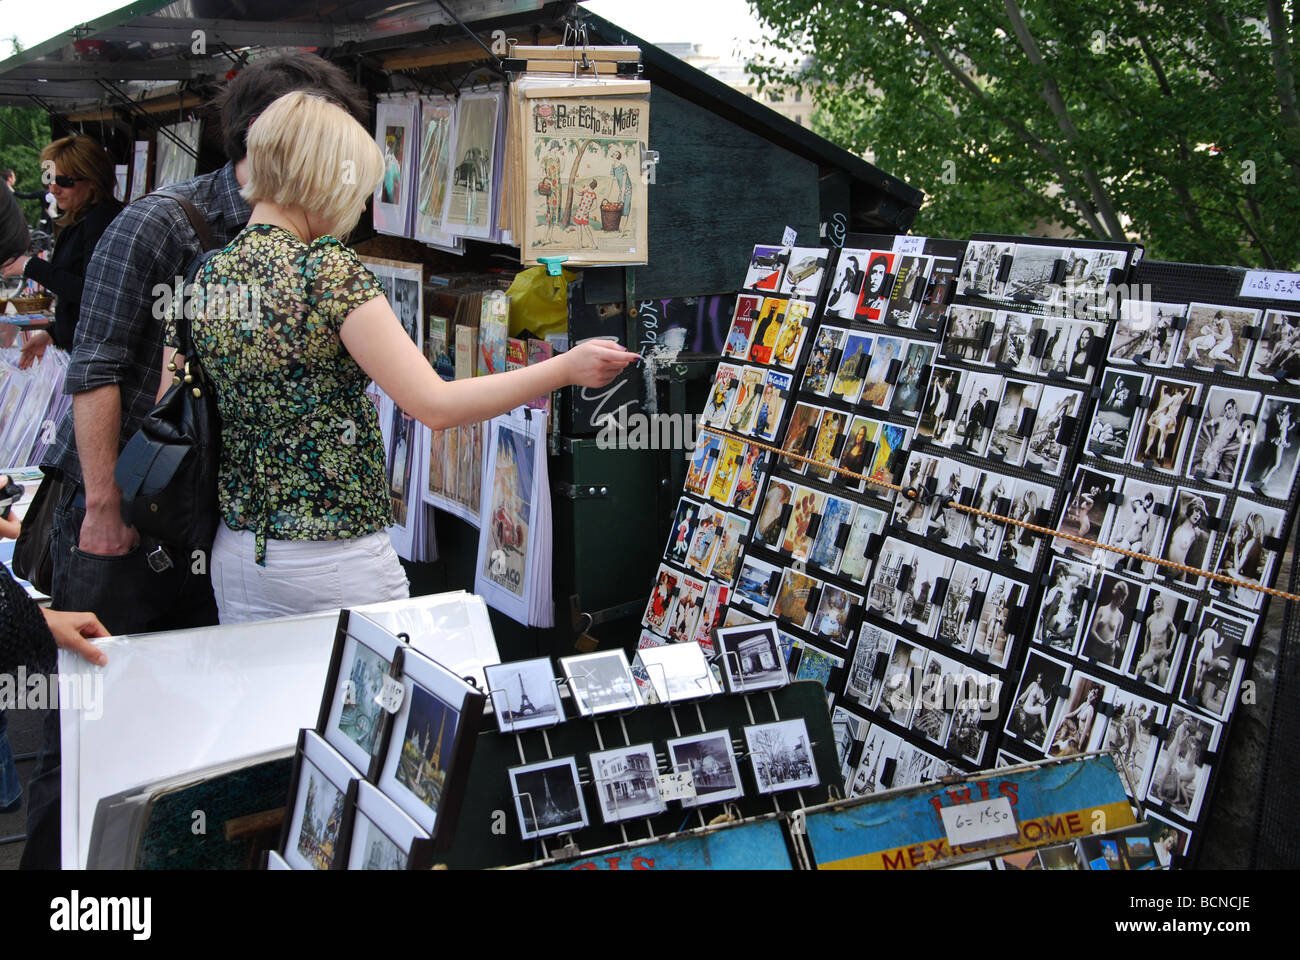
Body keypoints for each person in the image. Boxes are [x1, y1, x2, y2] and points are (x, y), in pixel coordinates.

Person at [26, 52, 374, 873]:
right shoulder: (157, 222)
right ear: (273, 135)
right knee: (88, 732)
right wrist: (105, 510)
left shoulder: (301, 240)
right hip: (120, 517)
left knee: (191, 733)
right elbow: (96, 367)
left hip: (209, 528)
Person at [175, 91, 637, 623]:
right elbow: (432, 404)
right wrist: (564, 368)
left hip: (238, 552)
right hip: (332, 556)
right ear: (325, 177)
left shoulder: (210, 271)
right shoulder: (324, 271)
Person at [2, 136, 122, 368]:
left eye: (64, 181)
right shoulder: (82, 219)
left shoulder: (101, 220)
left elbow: (92, 293)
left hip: (98, 361)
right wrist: (54, 333)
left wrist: (30, 265)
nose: (53, 188)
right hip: (80, 352)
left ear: (93, 180)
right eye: (50, 179)